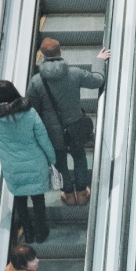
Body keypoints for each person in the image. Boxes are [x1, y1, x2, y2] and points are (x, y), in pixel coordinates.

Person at [26, 38, 107, 206]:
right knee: (79, 156)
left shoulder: (36, 81)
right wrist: (98, 61)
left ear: (42, 55)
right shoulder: (75, 73)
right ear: (59, 52)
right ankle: (82, 193)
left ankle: (68, 194)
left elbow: (32, 109)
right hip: (75, 127)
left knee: (59, 161)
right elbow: (98, 80)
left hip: (51, 132)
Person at [0, 80, 56, 244]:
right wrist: (52, 158)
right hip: (35, 163)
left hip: (12, 167)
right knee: (38, 199)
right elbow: (43, 137)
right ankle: (41, 233)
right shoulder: (29, 113)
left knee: (20, 200)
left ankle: (28, 232)